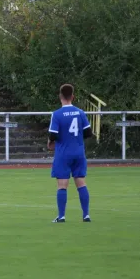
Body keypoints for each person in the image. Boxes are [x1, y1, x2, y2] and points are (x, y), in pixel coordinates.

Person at [47, 84, 93, 223]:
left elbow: (53, 135)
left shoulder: (57, 114)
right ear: (73, 97)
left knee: (62, 185)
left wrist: (49, 142)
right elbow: (88, 133)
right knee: (81, 183)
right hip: (78, 153)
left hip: (63, 154)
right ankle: (86, 215)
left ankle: (61, 216)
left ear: (60, 96)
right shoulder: (80, 112)